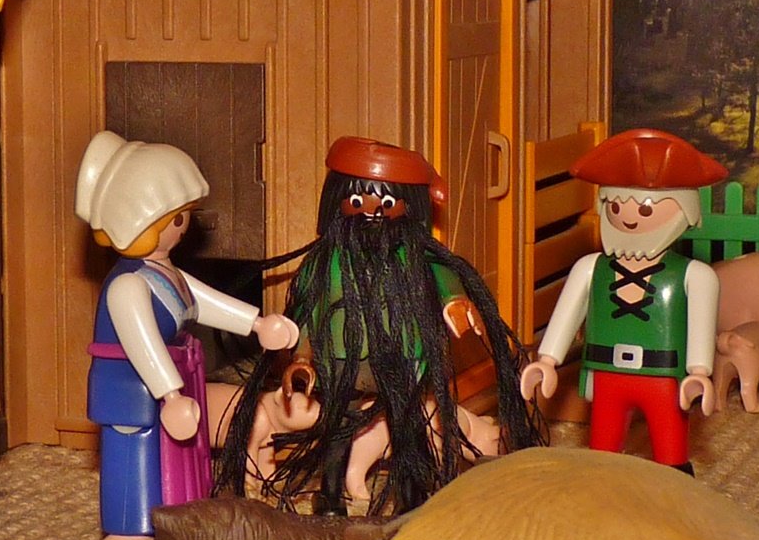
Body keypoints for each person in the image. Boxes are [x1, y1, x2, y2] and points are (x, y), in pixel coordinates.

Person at [217, 136, 545, 516]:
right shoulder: (324, 263)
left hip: (403, 361)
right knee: (338, 431)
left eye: (387, 203)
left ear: (410, 206)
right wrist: (302, 360)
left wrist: (455, 302)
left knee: (409, 430)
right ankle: (331, 496)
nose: (372, 211)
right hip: (342, 364)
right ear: (336, 199)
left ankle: (412, 495)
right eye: (357, 201)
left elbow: (445, 279)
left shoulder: (418, 259)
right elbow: (307, 315)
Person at [74, 130, 298, 540]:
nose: (184, 227)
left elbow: (202, 301)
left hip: (168, 382)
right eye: (177, 219)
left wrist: (256, 323)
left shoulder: (163, 272)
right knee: (135, 456)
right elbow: (142, 344)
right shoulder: (127, 286)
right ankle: (126, 534)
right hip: (131, 389)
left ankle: (170, 521)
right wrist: (170, 394)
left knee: (170, 459)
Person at [519, 128, 727, 475]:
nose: (629, 217)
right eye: (616, 205)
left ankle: (672, 492)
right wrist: (547, 361)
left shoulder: (695, 275)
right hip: (607, 375)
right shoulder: (590, 268)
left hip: (663, 376)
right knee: (602, 456)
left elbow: (701, 328)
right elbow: (567, 316)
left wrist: (699, 372)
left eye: (645, 209)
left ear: (684, 210)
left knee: (671, 457)